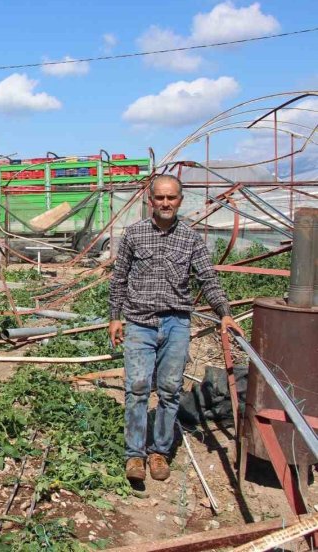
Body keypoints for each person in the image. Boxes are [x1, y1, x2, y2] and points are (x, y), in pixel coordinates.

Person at [109, 174, 243, 483]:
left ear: (180, 201)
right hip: (140, 323)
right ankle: (135, 455)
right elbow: (118, 279)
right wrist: (115, 317)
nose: (165, 203)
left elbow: (208, 278)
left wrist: (224, 312)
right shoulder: (134, 234)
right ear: (150, 200)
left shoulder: (191, 238)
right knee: (137, 388)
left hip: (176, 323)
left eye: (171, 198)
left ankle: (159, 452)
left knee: (169, 390)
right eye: (160, 197)